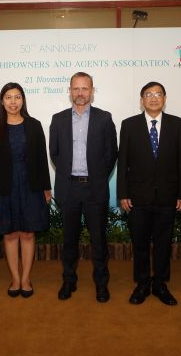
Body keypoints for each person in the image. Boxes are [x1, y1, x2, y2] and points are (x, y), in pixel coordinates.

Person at [117, 81, 181, 306]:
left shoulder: (177, 124)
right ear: (142, 100)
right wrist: (123, 194)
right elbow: (123, 162)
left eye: (158, 94)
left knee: (163, 244)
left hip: (168, 197)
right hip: (137, 197)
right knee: (139, 243)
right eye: (149, 94)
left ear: (164, 99)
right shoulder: (129, 125)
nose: (154, 98)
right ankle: (142, 284)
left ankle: (160, 283)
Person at [49, 71, 118, 303]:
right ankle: (69, 280)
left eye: (84, 88)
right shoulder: (58, 119)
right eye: (76, 88)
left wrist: (97, 176)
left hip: (94, 189)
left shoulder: (104, 118)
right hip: (69, 188)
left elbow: (111, 154)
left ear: (92, 91)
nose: (80, 93)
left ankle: (101, 282)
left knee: (98, 240)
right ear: (70, 91)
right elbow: (55, 153)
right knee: (69, 240)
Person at [0, 83, 52, 298]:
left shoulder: (34, 125)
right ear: (2, 101)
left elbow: (42, 159)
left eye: (17, 97)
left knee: (28, 233)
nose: (13, 101)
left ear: (23, 100)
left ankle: (26, 278)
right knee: (10, 234)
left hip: (31, 186)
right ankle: (15, 278)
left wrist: (46, 188)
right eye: (8, 97)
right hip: (5, 188)